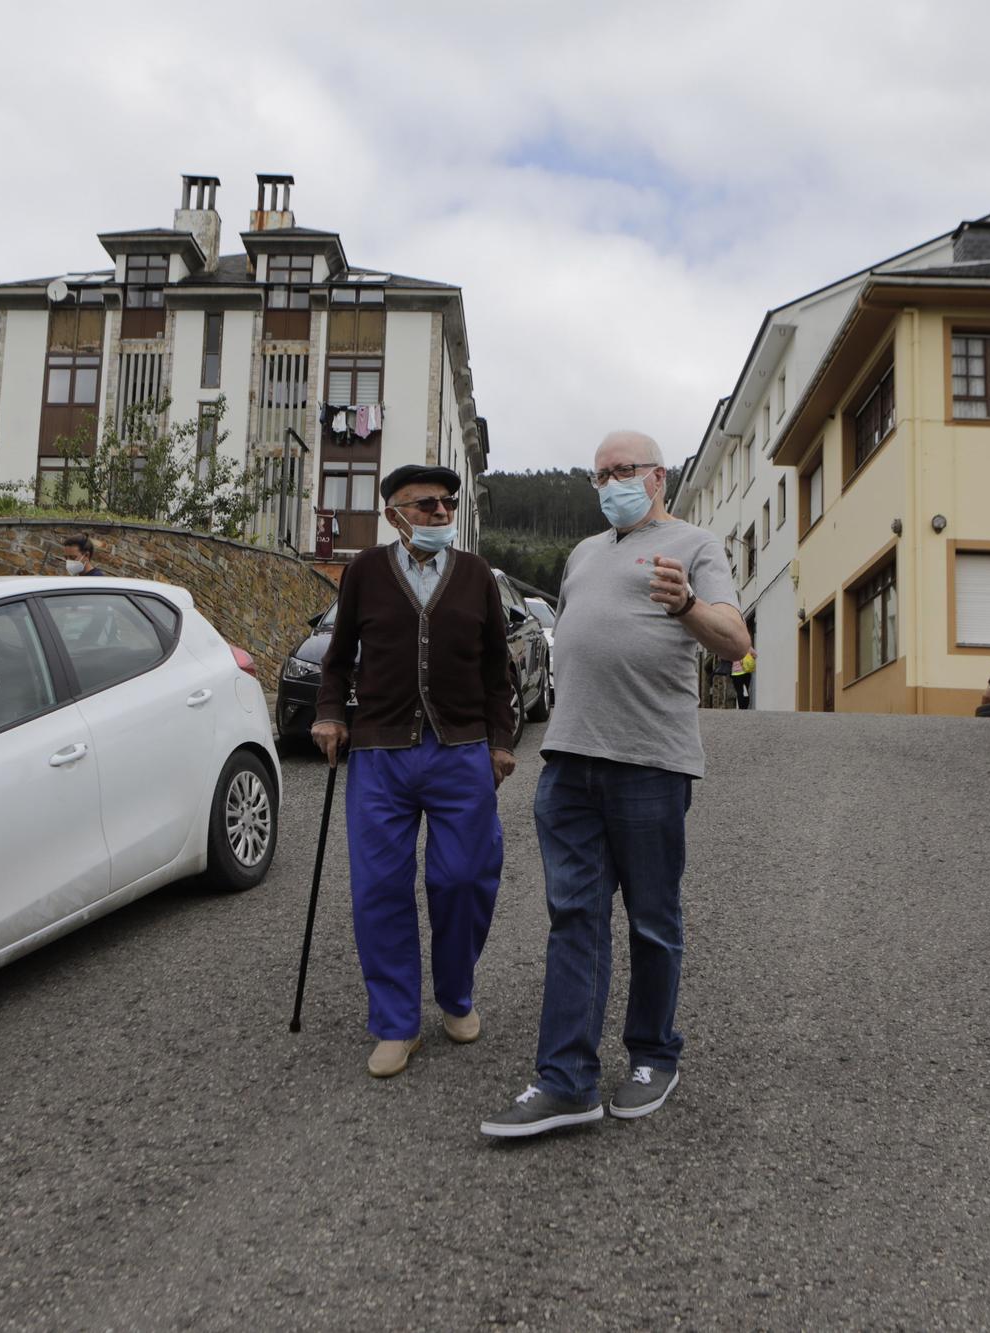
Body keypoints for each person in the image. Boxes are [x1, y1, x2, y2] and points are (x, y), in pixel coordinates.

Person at [481, 430, 749, 1138]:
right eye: (599, 474)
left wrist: (687, 603)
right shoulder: (581, 553)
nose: (608, 484)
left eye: (622, 471)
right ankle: (565, 1079)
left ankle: (654, 1055)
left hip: (651, 763)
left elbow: (734, 637)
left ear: (658, 476)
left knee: (653, 920)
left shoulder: (696, 545)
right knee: (575, 916)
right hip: (569, 760)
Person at [313, 464, 520, 1078]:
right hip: (380, 751)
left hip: (461, 750)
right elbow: (338, 655)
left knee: (464, 878)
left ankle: (456, 994)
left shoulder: (476, 574)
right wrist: (329, 714)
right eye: (425, 504)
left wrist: (501, 741)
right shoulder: (365, 573)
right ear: (393, 514)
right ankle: (396, 1023)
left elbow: (497, 669)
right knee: (379, 887)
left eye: (447, 504)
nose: (439, 513)